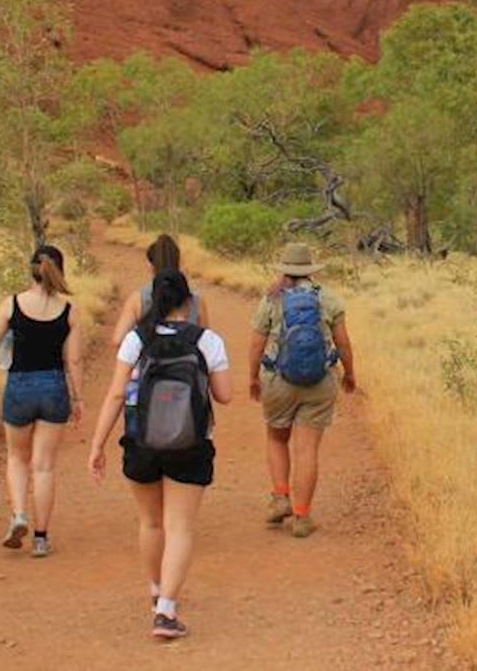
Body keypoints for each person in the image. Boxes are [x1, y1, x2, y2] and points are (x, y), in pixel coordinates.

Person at [89, 268, 232, 641]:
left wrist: (97, 444)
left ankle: (155, 590)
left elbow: (117, 394)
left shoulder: (136, 340)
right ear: (188, 302)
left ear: (153, 301)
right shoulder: (207, 340)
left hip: (141, 440)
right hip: (191, 443)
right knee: (180, 526)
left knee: (150, 522)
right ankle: (167, 610)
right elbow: (225, 395)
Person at [0, 244, 83, 559]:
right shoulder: (69, 310)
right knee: (44, 466)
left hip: (19, 385)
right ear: (59, 272)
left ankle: (19, 515)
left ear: (31, 269)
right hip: (53, 387)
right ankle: (40, 538)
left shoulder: (12, 304)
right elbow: (74, 360)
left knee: (16, 457)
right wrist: (77, 399)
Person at [247, 242, 356, 539]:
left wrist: (253, 379)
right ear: (310, 270)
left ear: (284, 270)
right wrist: (349, 375)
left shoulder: (272, 299)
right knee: (307, 449)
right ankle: (302, 517)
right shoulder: (328, 299)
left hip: (278, 380)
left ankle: (280, 497)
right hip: (320, 382)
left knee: (276, 436)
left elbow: (256, 344)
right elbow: (343, 342)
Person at [110, 233, 210, 345]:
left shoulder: (138, 299)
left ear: (150, 265)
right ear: (178, 263)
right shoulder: (195, 300)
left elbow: (118, 340)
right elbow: (206, 342)